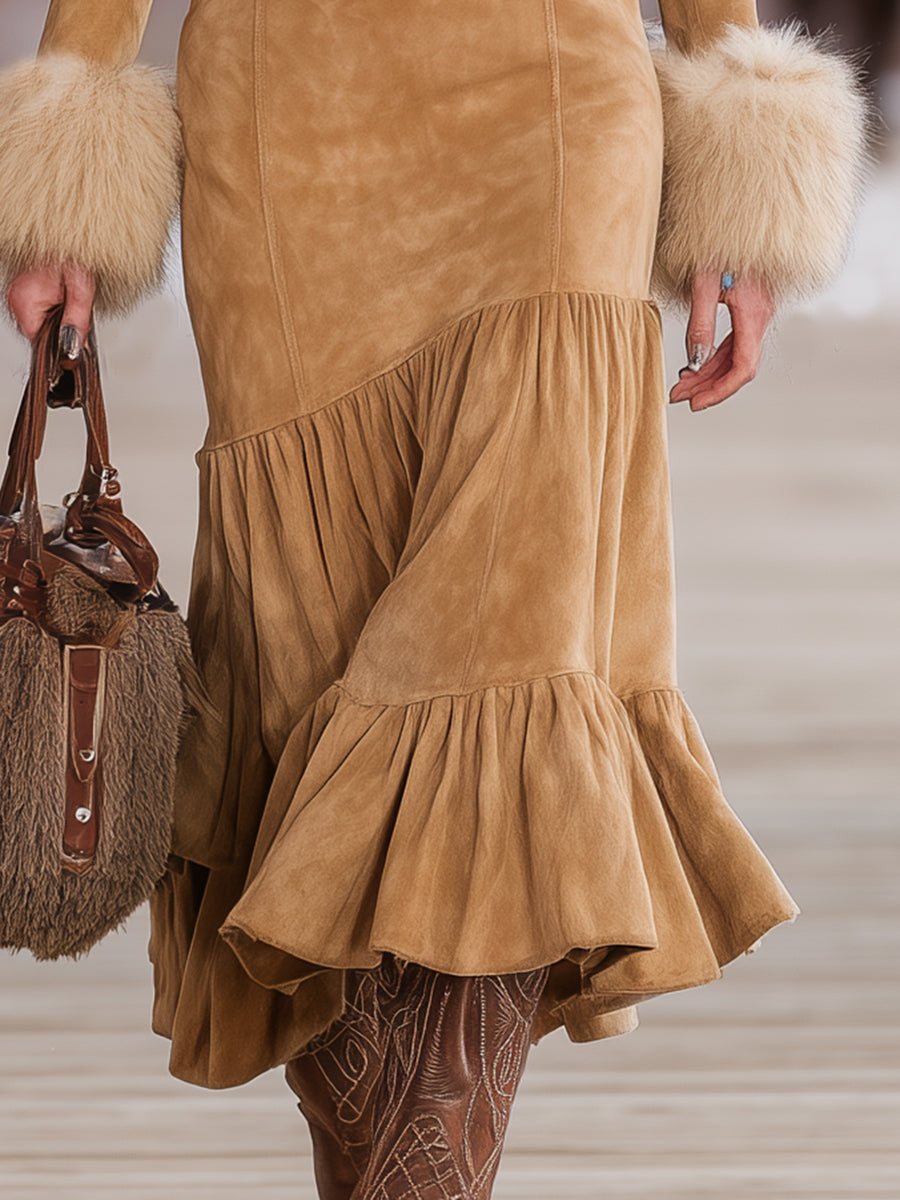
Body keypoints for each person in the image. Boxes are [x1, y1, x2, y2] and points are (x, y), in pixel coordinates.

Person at [0, 2, 867, 1196]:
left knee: (509, 668)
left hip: (556, 109)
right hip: (291, 118)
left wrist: (741, 152)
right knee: (311, 689)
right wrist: (70, 131)